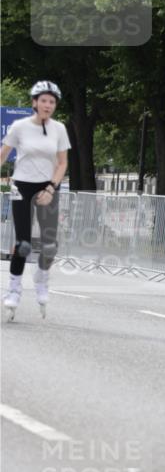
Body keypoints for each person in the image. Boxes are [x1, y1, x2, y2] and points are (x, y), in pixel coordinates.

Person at [1, 81, 70, 320]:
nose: (48, 105)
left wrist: (51, 188)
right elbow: (3, 154)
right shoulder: (19, 126)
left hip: (47, 185)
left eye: (52, 102)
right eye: (43, 100)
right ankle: (14, 289)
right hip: (22, 184)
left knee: (50, 245)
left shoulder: (59, 129)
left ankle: (41, 279)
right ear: (34, 102)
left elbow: (62, 163)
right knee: (23, 243)